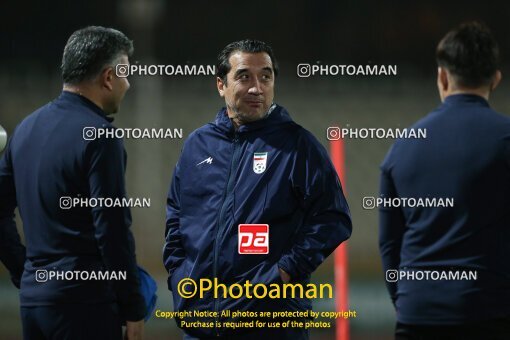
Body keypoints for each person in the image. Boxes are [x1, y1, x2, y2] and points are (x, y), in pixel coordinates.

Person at [163, 39, 352, 339]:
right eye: (244, 77)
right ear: (220, 85)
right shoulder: (197, 146)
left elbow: (333, 218)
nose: (256, 88)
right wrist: (178, 274)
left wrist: (283, 272)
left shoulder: (297, 146)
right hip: (200, 324)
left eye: (265, 77)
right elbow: (176, 216)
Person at [0, 26, 146, 340]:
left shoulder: (25, 129)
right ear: (108, 77)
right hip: (85, 306)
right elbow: (112, 230)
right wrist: (133, 306)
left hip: (34, 303)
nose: (128, 84)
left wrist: (25, 270)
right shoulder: (100, 137)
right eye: (125, 74)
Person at [379, 22, 510, 339]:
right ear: (495, 78)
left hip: (417, 314)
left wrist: (409, 301)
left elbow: (390, 244)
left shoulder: (403, 146)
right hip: (491, 313)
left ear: (442, 76)